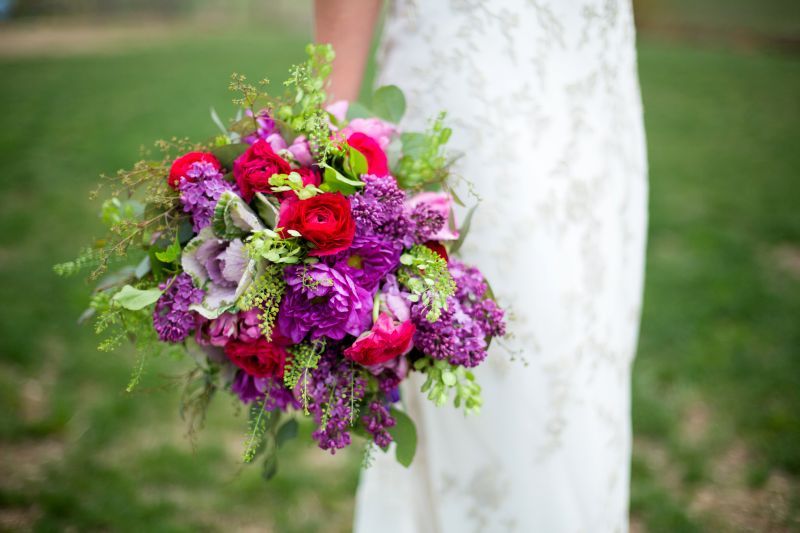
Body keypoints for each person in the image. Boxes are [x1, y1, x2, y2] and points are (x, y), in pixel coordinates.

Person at [315, 1, 648, 531]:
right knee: (513, 361)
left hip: (595, 97)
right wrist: (325, 121)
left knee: (587, 360)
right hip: (473, 84)